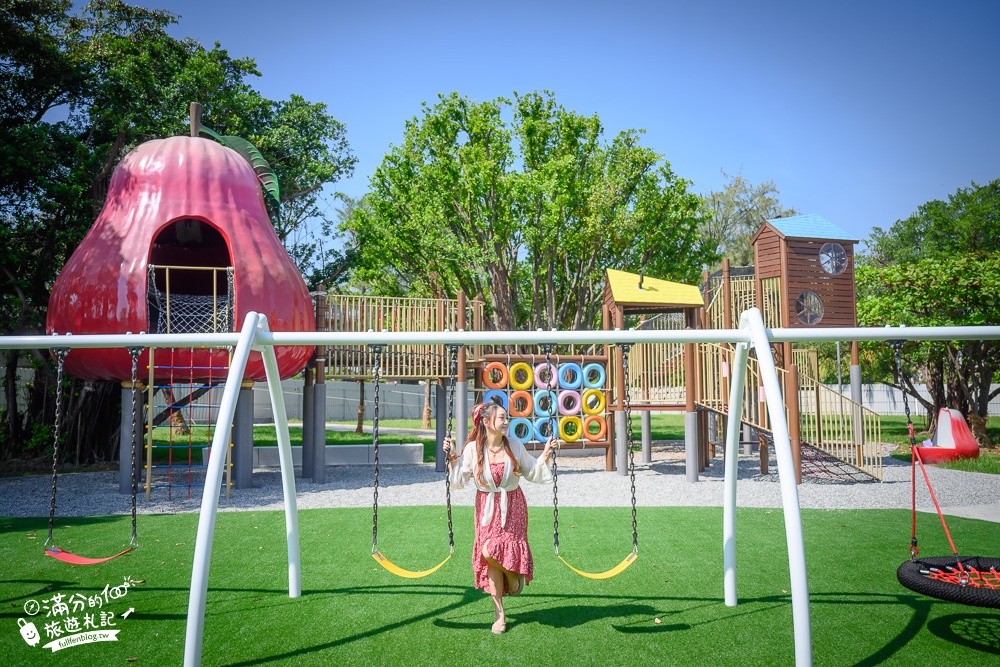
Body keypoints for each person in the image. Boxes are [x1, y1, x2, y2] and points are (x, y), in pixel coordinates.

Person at [443, 397, 557, 634]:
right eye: (502, 417)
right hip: (486, 507)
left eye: (507, 417)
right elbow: (459, 480)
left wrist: (545, 455)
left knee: (498, 552)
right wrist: (453, 456)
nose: (507, 421)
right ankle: (505, 602)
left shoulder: (513, 445)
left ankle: (508, 594)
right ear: (486, 422)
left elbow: (531, 471)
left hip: (513, 505)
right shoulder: (474, 449)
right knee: (488, 553)